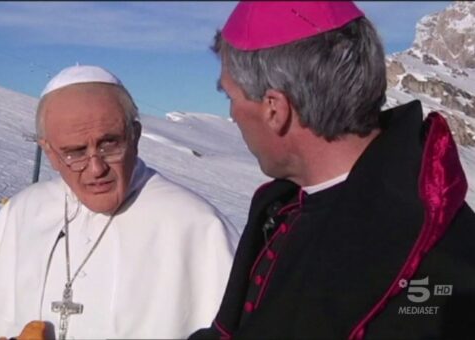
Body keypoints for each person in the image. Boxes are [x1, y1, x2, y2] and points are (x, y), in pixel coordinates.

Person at [190, 1, 475, 339]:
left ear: (274, 109)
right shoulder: (281, 204)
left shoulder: (441, 274)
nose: (233, 115)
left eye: (230, 97)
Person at [0, 65, 239, 339]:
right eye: (75, 152)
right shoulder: (23, 211)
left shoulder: (196, 225)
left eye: (109, 144)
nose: (96, 167)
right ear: (49, 152)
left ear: (135, 137)